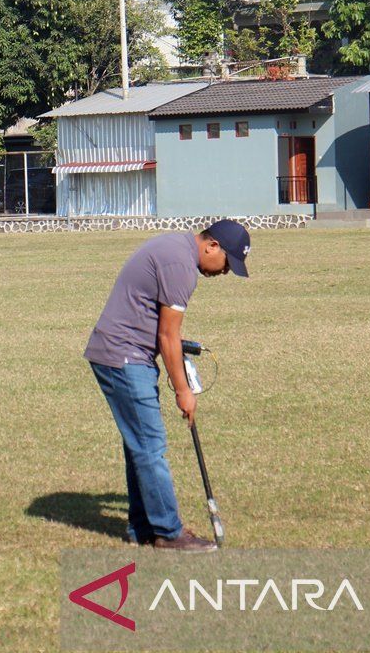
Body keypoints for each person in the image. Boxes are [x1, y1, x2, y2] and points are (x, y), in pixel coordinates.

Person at [83, 219, 251, 552]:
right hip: (124, 356)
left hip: (121, 352)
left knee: (139, 446)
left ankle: (143, 528)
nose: (225, 272)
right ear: (212, 246)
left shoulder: (176, 248)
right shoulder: (181, 266)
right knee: (150, 445)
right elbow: (167, 335)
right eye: (228, 263)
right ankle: (168, 532)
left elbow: (159, 325)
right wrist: (183, 391)